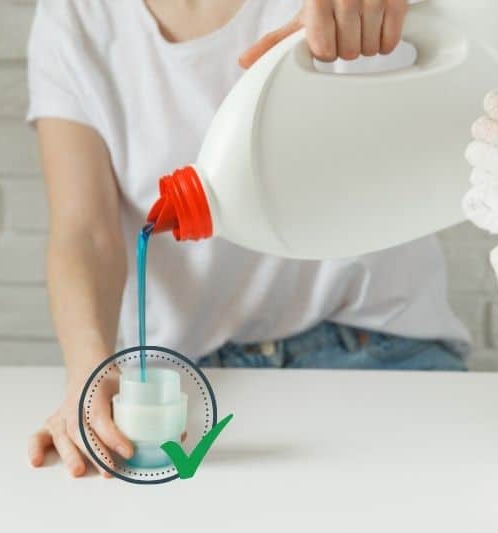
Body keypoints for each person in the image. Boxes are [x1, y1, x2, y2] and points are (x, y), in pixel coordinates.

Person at [26, 0, 470, 478]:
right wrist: (88, 375)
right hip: (186, 382)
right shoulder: (77, 16)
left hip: (381, 349)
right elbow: (85, 232)